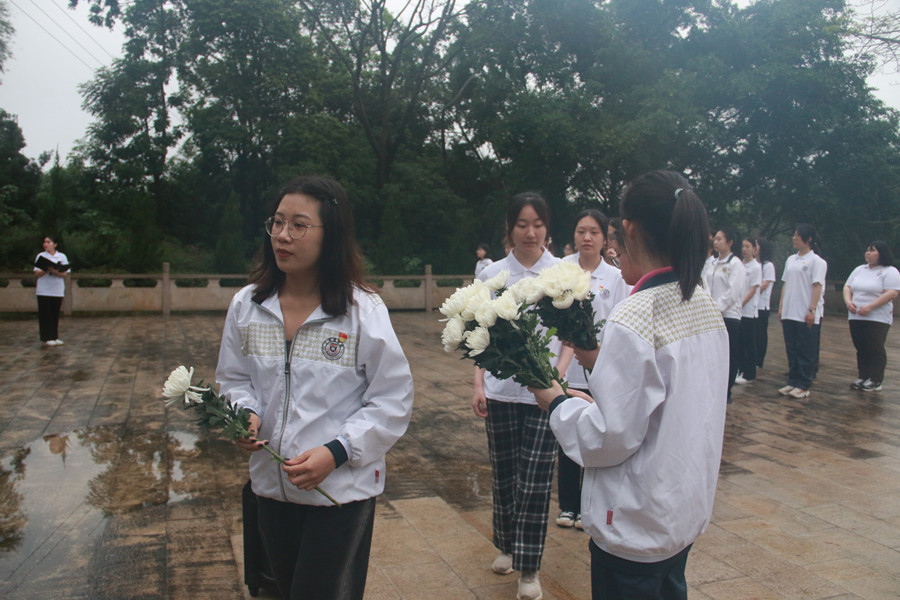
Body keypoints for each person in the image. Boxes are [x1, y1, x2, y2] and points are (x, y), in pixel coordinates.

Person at [529, 170, 728, 600]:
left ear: (630, 229)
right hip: (680, 509)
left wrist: (558, 404)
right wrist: (591, 390)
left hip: (636, 521)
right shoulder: (703, 304)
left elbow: (610, 436)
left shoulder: (636, 314)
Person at [216, 175, 414, 600]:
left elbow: (392, 399)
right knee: (284, 590)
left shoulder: (361, 311)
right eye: (277, 222)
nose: (283, 235)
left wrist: (337, 451)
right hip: (271, 487)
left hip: (340, 492)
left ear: (332, 235)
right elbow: (234, 378)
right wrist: (244, 413)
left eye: (299, 225)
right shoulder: (248, 306)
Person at [472, 192, 569, 600]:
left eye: (538, 224)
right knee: (505, 475)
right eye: (523, 224)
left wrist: (558, 377)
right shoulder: (492, 274)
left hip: (545, 395)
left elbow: (570, 334)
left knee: (535, 481)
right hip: (501, 392)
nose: (531, 233)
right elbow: (477, 335)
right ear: (510, 228)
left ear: (547, 228)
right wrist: (478, 385)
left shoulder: (561, 272)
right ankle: (508, 546)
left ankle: (529, 569)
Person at [556, 209, 629, 531]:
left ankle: (590, 507)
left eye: (594, 232)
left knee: (598, 437)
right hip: (566, 370)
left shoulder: (616, 278)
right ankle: (568, 505)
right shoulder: (562, 270)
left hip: (601, 369)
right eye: (581, 231)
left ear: (604, 239)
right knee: (568, 435)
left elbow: (619, 325)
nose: (587, 238)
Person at [778, 224, 827, 400]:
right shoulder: (791, 260)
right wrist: (782, 306)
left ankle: (804, 384)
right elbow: (786, 284)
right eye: (794, 235)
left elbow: (817, 286)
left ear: (809, 239)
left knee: (805, 350)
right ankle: (793, 380)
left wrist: (812, 309)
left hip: (805, 312)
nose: (794, 238)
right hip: (790, 311)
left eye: (797, 235)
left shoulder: (817, 262)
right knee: (792, 348)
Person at [843, 241, 900, 392]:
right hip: (856, 315)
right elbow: (847, 286)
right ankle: (863, 376)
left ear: (882, 253)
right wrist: (848, 302)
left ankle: (876, 379)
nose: (868, 253)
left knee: (874, 347)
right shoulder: (859, 269)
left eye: (872, 250)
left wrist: (870, 307)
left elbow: (892, 293)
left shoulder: (890, 271)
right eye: (867, 250)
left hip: (877, 317)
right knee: (861, 347)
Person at [705, 227, 745, 401]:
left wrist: (717, 307)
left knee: (728, 355)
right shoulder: (712, 263)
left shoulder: (735, 264)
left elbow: (733, 292)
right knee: (713, 355)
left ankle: (726, 391)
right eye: (715, 239)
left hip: (729, 316)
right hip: (712, 316)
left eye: (720, 239)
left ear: (730, 242)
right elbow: (706, 286)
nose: (716, 242)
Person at [33, 235, 70, 346]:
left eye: (49, 242)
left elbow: (64, 273)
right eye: (45, 242)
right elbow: (37, 273)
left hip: (57, 289)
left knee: (54, 313)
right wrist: (46, 269)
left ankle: (54, 336)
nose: (46, 244)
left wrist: (54, 271)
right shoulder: (41, 256)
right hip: (44, 290)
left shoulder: (61, 256)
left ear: (55, 244)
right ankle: (46, 337)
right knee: (45, 314)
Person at [735, 236, 761, 384]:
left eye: (747, 247)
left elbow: (753, 289)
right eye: (743, 246)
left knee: (749, 342)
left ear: (754, 249)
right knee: (740, 342)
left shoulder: (756, 267)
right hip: (738, 310)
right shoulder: (739, 265)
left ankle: (749, 373)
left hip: (748, 311)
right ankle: (740, 369)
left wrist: (741, 303)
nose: (744, 249)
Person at [754, 237, 776, 369]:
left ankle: (758, 360)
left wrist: (750, 290)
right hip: (750, 306)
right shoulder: (751, 264)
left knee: (760, 333)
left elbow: (764, 284)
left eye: (756, 245)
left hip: (761, 306)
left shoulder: (768, 266)